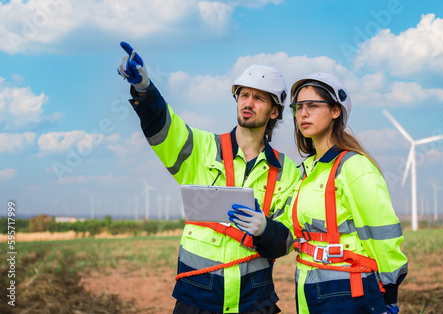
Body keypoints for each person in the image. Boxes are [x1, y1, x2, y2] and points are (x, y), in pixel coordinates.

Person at [116, 41, 301, 314]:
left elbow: (288, 240)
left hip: (254, 302)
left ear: (274, 111)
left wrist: (265, 229)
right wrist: (144, 89)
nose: (248, 103)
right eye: (243, 95)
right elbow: (164, 126)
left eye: (258, 98)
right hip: (197, 299)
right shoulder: (202, 148)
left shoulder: (289, 172)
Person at [233, 73, 408, 313]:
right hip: (307, 287)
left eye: (313, 106)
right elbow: (288, 230)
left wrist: (389, 291)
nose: (303, 114)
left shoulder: (354, 166)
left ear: (336, 111)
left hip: (349, 288)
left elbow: (382, 232)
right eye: (298, 107)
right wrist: (265, 228)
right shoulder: (303, 172)